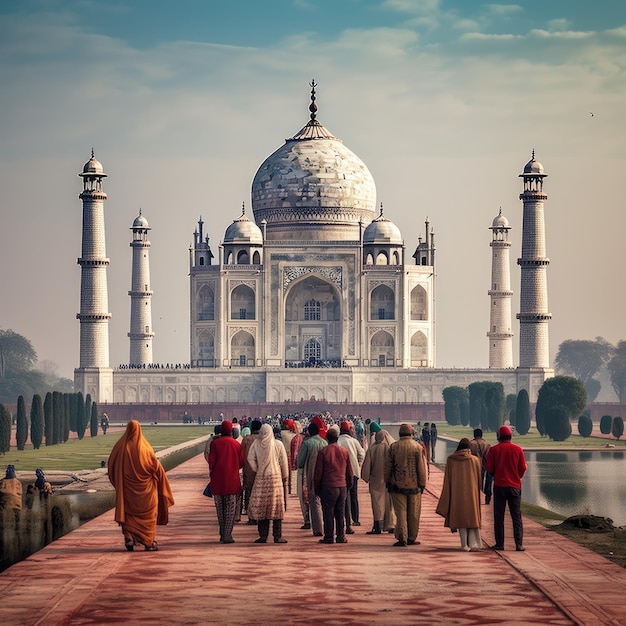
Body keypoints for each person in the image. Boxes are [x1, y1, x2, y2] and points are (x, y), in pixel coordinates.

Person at [108, 420, 174, 551]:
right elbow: (156, 467)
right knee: (149, 515)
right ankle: (148, 542)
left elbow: (111, 467)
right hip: (147, 493)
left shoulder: (120, 447)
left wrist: (119, 483)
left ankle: (129, 538)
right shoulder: (145, 448)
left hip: (127, 492)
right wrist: (162, 483)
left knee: (129, 515)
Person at [384, 423, 428, 547]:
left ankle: (402, 538)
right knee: (414, 513)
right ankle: (411, 537)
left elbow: (388, 466)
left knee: (401, 513)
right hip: (414, 485)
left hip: (397, 484)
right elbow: (421, 468)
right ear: (411, 433)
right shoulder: (417, 447)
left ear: (400, 434)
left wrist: (387, 480)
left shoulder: (394, 447)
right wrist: (422, 483)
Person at [485, 425, 528, 551]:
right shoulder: (518, 449)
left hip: (500, 486)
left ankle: (500, 543)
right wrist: (517, 476)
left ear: (498, 436)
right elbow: (523, 468)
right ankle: (518, 544)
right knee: (516, 517)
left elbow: (489, 468)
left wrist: (497, 473)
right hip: (515, 486)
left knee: (499, 516)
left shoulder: (494, 450)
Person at [436, 438, 482, 551]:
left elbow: (448, 479)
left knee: (461, 519)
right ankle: (473, 543)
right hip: (471, 493)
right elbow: (479, 480)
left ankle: (464, 544)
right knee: (471, 518)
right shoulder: (475, 460)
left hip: (457, 494)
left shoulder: (451, 460)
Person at [247, 424, 289, 543]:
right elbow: (283, 462)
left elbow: (250, 458)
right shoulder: (278, 444)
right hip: (275, 478)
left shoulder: (256, 444)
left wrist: (257, 469)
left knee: (262, 507)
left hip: (262, 478)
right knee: (276, 507)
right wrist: (285, 476)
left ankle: (263, 536)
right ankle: (277, 535)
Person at [314, 427, 353, 544]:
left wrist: (316, 488)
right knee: (340, 512)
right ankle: (341, 536)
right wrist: (348, 485)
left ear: (327, 438)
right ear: (337, 438)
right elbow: (349, 472)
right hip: (342, 486)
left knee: (328, 512)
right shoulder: (344, 451)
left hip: (329, 486)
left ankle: (329, 536)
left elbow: (318, 472)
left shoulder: (323, 452)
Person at [208, 420, 245, 544]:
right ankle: (227, 535)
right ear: (231, 430)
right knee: (230, 509)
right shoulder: (236, 444)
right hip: (232, 481)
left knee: (220, 510)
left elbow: (211, 462)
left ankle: (222, 533)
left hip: (218, 481)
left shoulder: (215, 444)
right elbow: (241, 463)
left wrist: (212, 474)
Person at [296, 422, 327, 537]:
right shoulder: (324, 443)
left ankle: (318, 529)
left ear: (309, 432)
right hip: (324, 476)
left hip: (311, 476)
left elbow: (300, 462)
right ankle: (328, 528)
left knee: (314, 502)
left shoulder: (307, 444)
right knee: (324, 503)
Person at [361, 429, 396, 534]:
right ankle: (392, 525)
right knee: (391, 504)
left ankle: (378, 526)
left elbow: (367, 466)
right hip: (390, 481)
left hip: (376, 480)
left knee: (377, 504)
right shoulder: (392, 449)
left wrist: (366, 477)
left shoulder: (372, 449)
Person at [337, 420, 365, 531]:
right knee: (354, 496)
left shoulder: (338, 441)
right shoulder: (354, 441)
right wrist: (357, 465)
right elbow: (361, 454)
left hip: (341, 472)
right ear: (349, 430)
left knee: (343, 497)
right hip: (353, 472)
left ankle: (345, 520)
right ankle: (356, 519)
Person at [241, 420, 262, 524]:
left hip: (248, 469)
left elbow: (241, 456)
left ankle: (251, 517)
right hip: (262, 470)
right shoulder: (264, 439)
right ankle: (260, 516)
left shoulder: (246, 439)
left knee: (248, 492)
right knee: (260, 493)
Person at [290, 421, 309, 529]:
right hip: (317, 473)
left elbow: (298, 460)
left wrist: (295, 465)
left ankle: (307, 520)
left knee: (303, 497)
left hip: (302, 472)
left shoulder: (298, 439)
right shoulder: (322, 441)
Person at [469, 428, 492, 504]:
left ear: (474, 435)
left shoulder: (470, 444)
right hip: (485, 465)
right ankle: (487, 496)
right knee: (487, 481)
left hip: (473, 465)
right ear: (482, 435)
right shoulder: (487, 444)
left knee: (475, 482)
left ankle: (476, 498)